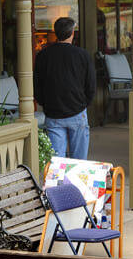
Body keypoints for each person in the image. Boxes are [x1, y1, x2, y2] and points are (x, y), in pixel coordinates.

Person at [33, 17, 96, 159]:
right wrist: (84, 103)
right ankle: (76, 182)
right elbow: (91, 85)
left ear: (55, 33)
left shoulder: (43, 56)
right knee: (79, 162)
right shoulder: (83, 55)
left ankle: (59, 182)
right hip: (77, 111)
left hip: (53, 113)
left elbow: (36, 85)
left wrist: (45, 103)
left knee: (56, 162)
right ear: (72, 33)